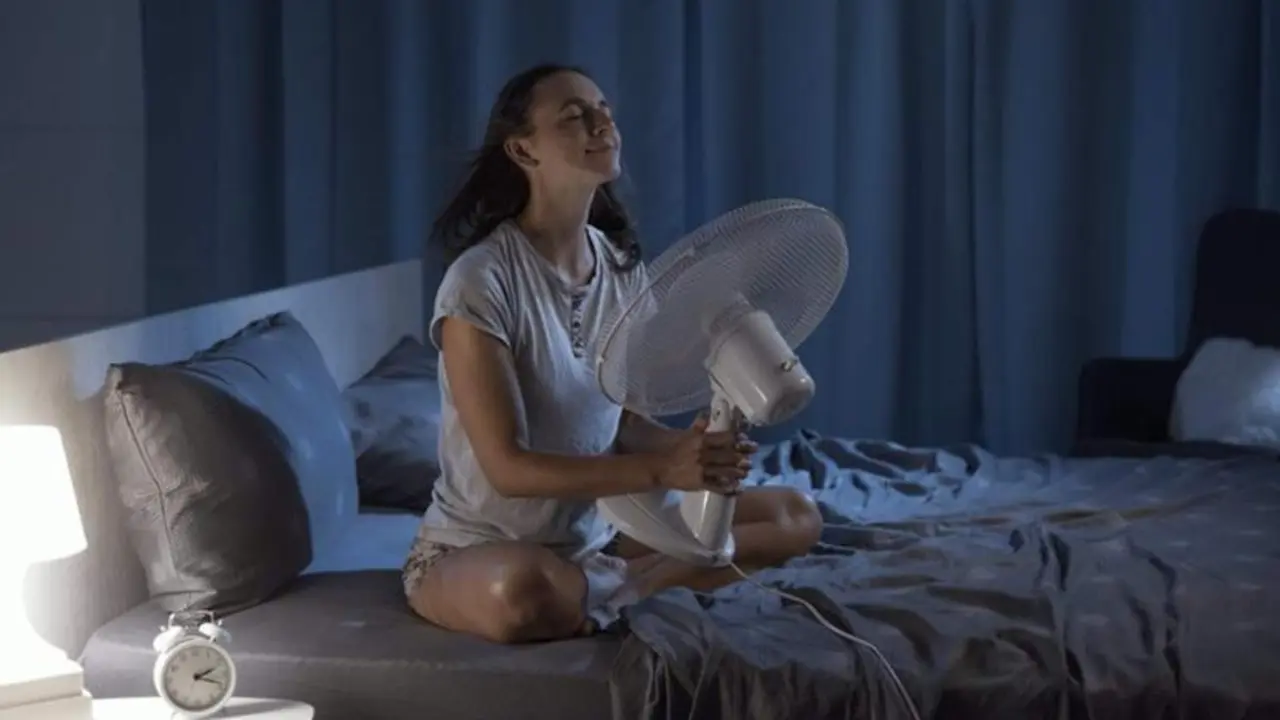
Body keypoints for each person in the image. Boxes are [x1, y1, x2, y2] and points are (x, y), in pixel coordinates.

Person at [403, 63, 823, 644]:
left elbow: (617, 418)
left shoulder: (621, 269)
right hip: (484, 549)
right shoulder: (479, 281)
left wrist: (691, 450)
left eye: (605, 111)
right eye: (576, 117)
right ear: (523, 150)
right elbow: (507, 468)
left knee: (796, 515)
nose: (604, 124)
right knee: (522, 596)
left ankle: (616, 584)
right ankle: (636, 584)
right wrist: (661, 470)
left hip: (594, 535)